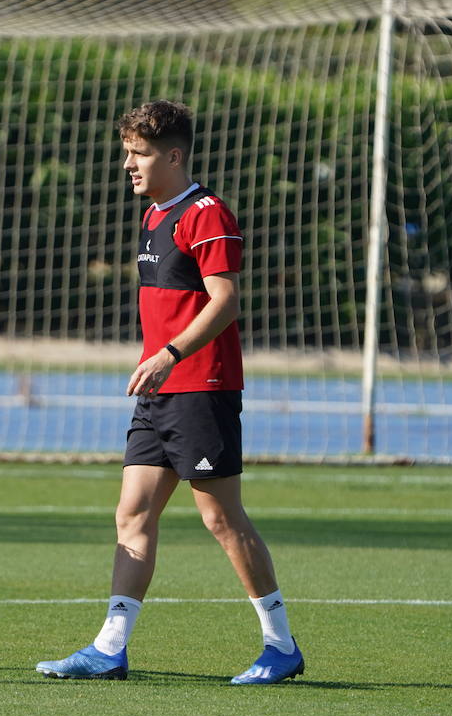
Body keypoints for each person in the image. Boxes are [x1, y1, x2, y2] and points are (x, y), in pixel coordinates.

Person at [35, 100, 305, 685]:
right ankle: (109, 648)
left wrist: (170, 354)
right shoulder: (154, 215)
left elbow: (224, 300)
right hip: (159, 392)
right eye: (127, 152)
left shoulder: (206, 213)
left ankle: (280, 644)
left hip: (199, 387)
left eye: (140, 154)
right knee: (131, 514)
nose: (128, 164)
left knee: (222, 518)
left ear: (175, 155)